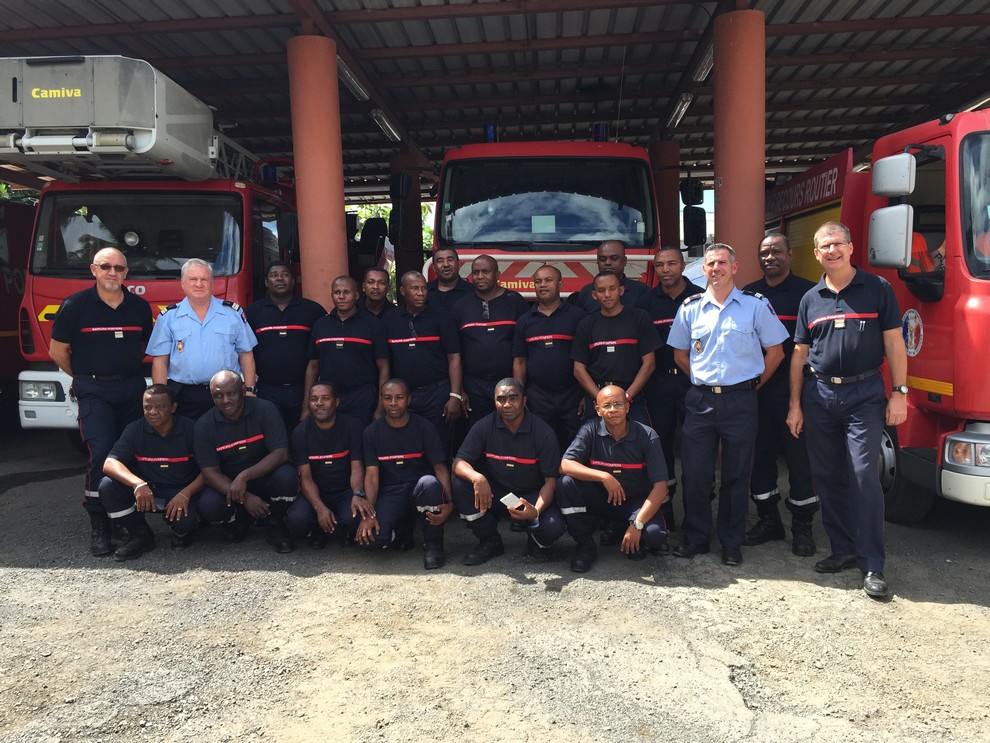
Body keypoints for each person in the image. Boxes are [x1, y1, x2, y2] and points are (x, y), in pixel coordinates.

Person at [787, 221, 907, 598]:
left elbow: (894, 343)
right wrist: (795, 404)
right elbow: (799, 355)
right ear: (817, 254)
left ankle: (873, 563)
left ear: (851, 246)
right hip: (819, 396)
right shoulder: (811, 298)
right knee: (827, 475)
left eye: (837, 243)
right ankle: (843, 550)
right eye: (824, 246)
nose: (831, 250)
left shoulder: (877, 289)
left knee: (862, 475)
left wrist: (900, 392)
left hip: (865, 395)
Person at [668, 243, 788, 567]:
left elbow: (776, 352)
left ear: (734, 268)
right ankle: (696, 537)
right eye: (710, 263)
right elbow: (680, 354)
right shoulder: (690, 308)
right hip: (701, 400)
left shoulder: (755, 306)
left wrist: (752, 385)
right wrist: (703, 382)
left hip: (741, 401)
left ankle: (731, 542)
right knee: (695, 473)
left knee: (736, 475)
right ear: (703, 269)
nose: (716, 268)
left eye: (722, 262)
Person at [49, 247, 154, 556]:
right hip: (94, 390)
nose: (113, 272)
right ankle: (100, 523)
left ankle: (123, 517)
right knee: (101, 452)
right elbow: (58, 351)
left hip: (131, 387)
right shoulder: (75, 306)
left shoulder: (138, 307)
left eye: (119, 268)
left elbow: (143, 344)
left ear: (126, 272)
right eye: (106, 266)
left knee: (129, 453)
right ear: (93, 270)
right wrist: (82, 377)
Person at [742, 232, 819, 556]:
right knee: (759, 461)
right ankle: (769, 519)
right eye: (764, 252)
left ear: (789, 255)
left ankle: (802, 527)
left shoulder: (808, 295)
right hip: (756, 394)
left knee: (801, 465)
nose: (769, 257)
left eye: (776, 251)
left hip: (795, 394)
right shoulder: (749, 295)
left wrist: (797, 401)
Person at [452, 378, 566, 565]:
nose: (507, 404)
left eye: (513, 398)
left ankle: (536, 542)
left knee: (553, 526)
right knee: (460, 483)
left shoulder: (543, 433)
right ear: (494, 401)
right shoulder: (484, 426)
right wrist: (477, 477)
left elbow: (551, 482)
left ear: (524, 401)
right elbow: (458, 463)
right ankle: (490, 541)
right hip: (498, 494)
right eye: (501, 399)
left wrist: (535, 511)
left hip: (532, 496)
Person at [557, 385, 669, 573]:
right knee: (566, 484)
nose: (613, 410)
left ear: (627, 406)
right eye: (607, 405)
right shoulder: (590, 429)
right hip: (602, 499)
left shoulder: (647, 435)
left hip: (634, 502)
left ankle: (629, 532)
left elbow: (661, 487)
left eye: (618, 404)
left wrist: (638, 524)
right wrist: (604, 476)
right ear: (597, 409)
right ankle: (585, 546)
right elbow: (565, 465)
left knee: (654, 536)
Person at [635, 246, 704, 530]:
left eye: (671, 264)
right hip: (659, 383)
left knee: (697, 448)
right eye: (660, 265)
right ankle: (665, 514)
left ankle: (697, 515)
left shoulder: (701, 297)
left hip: (693, 382)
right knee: (660, 448)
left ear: (682, 265)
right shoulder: (646, 302)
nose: (665, 270)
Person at [193, 370, 298, 552]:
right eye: (218, 396)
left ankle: (276, 523)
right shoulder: (204, 425)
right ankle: (241, 520)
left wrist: (245, 475)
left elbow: (280, 453)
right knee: (208, 504)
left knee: (287, 476)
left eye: (230, 393)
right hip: (231, 486)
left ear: (242, 390)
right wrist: (246, 498)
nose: (225, 400)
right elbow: (210, 474)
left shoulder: (265, 409)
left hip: (265, 477)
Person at [99, 384, 203, 560]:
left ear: (173, 407)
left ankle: (182, 533)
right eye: (147, 407)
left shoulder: (191, 429)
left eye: (159, 407)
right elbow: (110, 463)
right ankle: (140, 535)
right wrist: (137, 483)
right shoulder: (134, 429)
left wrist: (186, 493)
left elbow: (208, 469)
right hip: (147, 490)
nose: (152, 412)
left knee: (186, 521)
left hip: (180, 492)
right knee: (107, 486)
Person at [359, 379, 454, 570]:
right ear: (382, 401)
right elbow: (371, 476)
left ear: (408, 400)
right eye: (388, 398)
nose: (393, 403)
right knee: (372, 539)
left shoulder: (424, 427)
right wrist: (368, 515)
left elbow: (440, 468)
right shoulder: (371, 432)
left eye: (399, 397)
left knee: (430, 483)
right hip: (392, 492)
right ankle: (402, 530)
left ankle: (434, 544)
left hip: (419, 490)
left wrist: (449, 503)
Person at [148, 258, 258, 420]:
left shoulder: (232, 313)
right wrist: (162, 399)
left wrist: (250, 390)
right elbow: (160, 361)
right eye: (193, 279)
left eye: (204, 279)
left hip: (227, 393)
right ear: (183, 283)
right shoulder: (168, 317)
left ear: (212, 283)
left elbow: (246, 354)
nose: (199, 284)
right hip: (185, 395)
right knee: (189, 441)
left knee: (228, 441)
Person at [382, 271, 466, 453]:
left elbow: (454, 358)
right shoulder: (389, 319)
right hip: (403, 396)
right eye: (415, 289)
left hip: (437, 394)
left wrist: (455, 395)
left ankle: (439, 482)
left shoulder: (442, 317)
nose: (421, 293)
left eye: (423, 288)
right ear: (403, 291)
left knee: (438, 447)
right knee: (406, 445)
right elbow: (385, 363)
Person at [286, 382, 373, 548]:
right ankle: (319, 530)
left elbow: (357, 467)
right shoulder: (300, 433)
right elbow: (305, 477)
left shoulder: (353, 426)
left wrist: (357, 493)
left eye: (325, 398)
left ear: (336, 402)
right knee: (297, 519)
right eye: (314, 399)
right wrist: (319, 507)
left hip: (344, 491)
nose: (319, 403)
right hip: (316, 492)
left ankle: (341, 531)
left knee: (355, 516)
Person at [245, 261, 327, 433]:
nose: (280, 278)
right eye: (274, 275)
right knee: (274, 438)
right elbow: (245, 352)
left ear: (292, 280)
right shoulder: (252, 313)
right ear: (267, 282)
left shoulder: (312, 310)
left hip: (303, 390)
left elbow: (323, 352)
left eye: (285, 274)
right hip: (267, 390)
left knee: (305, 436)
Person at [571, 270, 660, 426]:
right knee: (592, 448)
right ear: (594, 295)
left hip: (632, 398)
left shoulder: (639, 318)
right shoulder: (586, 324)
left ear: (621, 290)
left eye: (612, 289)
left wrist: (626, 398)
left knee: (642, 446)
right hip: (597, 398)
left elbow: (649, 363)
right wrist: (601, 399)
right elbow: (579, 369)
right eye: (601, 290)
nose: (607, 294)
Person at [450, 255, 531, 426]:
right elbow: (454, 353)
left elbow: (525, 351)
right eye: (476, 272)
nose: (480, 276)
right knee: (477, 433)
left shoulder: (516, 302)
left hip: (508, 383)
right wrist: (459, 391)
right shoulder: (460, 306)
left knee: (510, 430)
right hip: (473, 386)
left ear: (497, 274)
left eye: (485, 272)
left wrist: (520, 389)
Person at [512, 264, 585, 451]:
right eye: (538, 281)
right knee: (541, 446)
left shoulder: (577, 317)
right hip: (538, 396)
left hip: (573, 396)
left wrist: (586, 395)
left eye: (548, 280)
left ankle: (572, 480)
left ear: (560, 284)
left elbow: (588, 358)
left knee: (576, 447)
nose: (542, 285)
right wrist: (520, 394)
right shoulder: (524, 320)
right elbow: (520, 361)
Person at [304, 275, 389, 427]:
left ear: (356, 295)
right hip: (327, 399)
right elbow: (313, 367)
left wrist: (380, 406)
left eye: (347, 292)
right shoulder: (321, 325)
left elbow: (384, 367)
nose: (341, 297)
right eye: (337, 292)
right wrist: (306, 405)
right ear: (332, 296)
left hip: (362, 398)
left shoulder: (373, 324)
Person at [568, 240, 650, 313]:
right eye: (602, 259)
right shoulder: (587, 292)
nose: (607, 263)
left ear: (625, 261)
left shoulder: (641, 291)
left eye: (614, 258)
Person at [427, 247, 472, 313]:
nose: (446, 264)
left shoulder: (472, 292)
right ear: (434, 267)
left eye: (450, 260)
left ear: (458, 264)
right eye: (440, 261)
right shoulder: (425, 292)